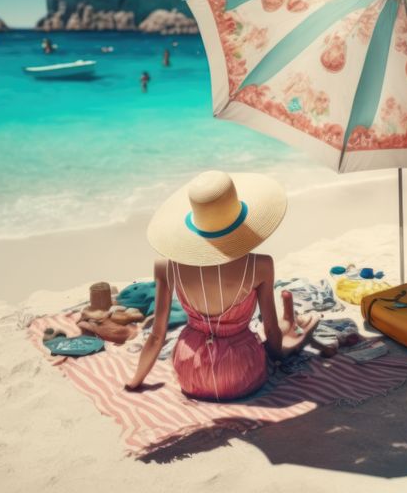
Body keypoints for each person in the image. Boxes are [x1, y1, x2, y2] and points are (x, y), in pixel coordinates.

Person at [126, 171, 320, 400]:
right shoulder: (260, 265)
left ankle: (290, 323)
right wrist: (283, 351)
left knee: (284, 329)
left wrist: (135, 382)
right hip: (241, 373)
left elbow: (157, 337)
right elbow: (269, 331)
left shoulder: (166, 266)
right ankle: (292, 324)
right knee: (286, 332)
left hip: (191, 371)